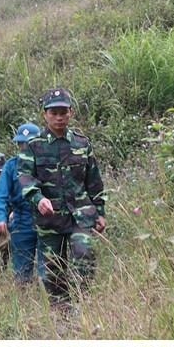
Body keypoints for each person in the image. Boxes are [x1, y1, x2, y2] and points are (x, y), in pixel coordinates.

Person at [18, 87, 106, 304]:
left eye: (63, 112)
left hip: (81, 214)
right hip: (50, 218)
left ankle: (82, 303)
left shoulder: (81, 143)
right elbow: (25, 178)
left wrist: (100, 212)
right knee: (53, 270)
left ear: (71, 113)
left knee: (84, 254)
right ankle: (61, 313)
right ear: (44, 114)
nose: (59, 117)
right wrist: (38, 199)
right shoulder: (33, 145)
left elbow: (94, 181)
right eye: (53, 112)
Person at [0, 123, 41, 283]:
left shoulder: (46, 163)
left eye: (29, 143)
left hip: (46, 221)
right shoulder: (11, 166)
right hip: (22, 222)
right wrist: (1, 217)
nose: (25, 147)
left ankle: (51, 305)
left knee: (49, 270)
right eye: (22, 144)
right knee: (21, 272)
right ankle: (23, 302)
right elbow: (0, 194)